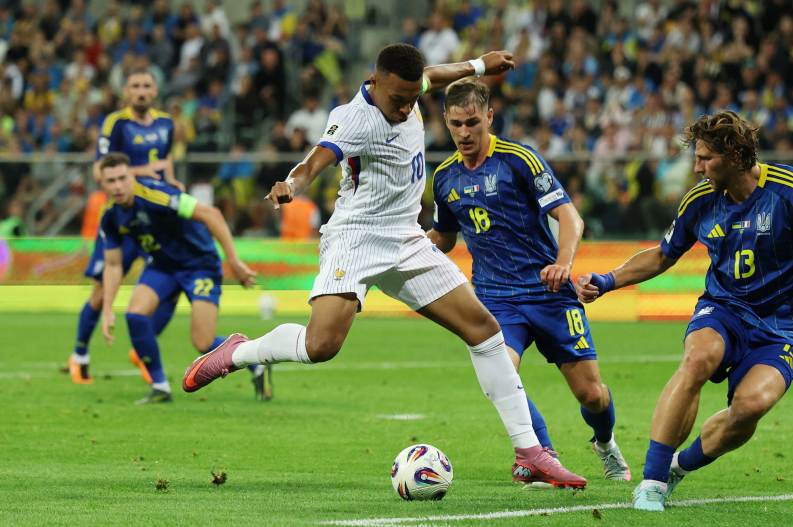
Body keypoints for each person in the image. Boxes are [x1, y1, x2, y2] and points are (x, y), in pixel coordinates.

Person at [182, 44, 586, 488]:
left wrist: (479, 66)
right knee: (321, 346)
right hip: (355, 238)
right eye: (399, 99)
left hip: (406, 237)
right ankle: (238, 352)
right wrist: (291, 185)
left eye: (414, 98)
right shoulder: (354, 118)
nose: (407, 107)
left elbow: (435, 74)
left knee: (484, 330)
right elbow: (316, 159)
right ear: (375, 82)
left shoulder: (408, 87)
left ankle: (530, 453)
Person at [577, 111, 793, 511]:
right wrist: (607, 280)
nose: (697, 167)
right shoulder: (700, 199)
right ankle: (652, 481)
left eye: (705, 158)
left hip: (779, 329)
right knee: (698, 359)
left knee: (750, 408)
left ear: (735, 156)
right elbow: (662, 255)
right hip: (722, 309)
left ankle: (677, 467)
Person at [427, 78, 631, 486]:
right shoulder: (445, 177)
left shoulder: (519, 160)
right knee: (502, 375)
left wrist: (562, 262)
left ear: (489, 117)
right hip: (495, 299)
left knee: (591, 394)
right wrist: (404, 245)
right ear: (446, 122)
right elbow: (444, 238)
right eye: (456, 125)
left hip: (548, 292)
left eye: (472, 122)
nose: (464, 133)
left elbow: (569, 216)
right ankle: (541, 453)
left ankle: (606, 443)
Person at [96, 153, 260, 403]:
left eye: (122, 178)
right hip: (163, 267)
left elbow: (211, 214)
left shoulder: (157, 195)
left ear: (132, 176)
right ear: (102, 184)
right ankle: (160, 387)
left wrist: (234, 261)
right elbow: (113, 264)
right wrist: (107, 309)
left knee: (203, 342)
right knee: (135, 314)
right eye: (111, 181)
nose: (118, 186)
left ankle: (254, 358)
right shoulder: (110, 217)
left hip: (199, 265)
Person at [68, 67, 183, 385]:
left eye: (146, 85)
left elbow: (165, 161)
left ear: (155, 91)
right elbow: (99, 171)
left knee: (171, 285)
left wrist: (171, 180)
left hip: (156, 218)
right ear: (126, 92)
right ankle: (79, 354)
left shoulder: (166, 123)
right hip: (123, 218)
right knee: (102, 290)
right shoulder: (115, 124)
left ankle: (143, 350)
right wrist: (144, 171)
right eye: (135, 86)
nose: (141, 91)